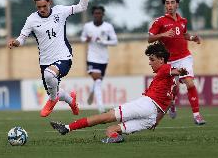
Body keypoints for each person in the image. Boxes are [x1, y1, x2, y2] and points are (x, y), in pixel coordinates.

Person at [50, 42, 188, 143]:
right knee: (111, 131)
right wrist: (156, 121)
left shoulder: (164, 69)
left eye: (152, 60)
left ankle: (67, 128)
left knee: (105, 117)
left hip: (146, 105)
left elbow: (173, 70)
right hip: (151, 118)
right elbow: (169, 102)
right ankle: (116, 139)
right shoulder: (172, 83)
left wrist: (180, 71)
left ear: (162, 60)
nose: (150, 63)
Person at [7, 0, 91, 117]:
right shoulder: (31, 19)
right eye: (38, 7)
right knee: (54, 87)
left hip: (64, 57)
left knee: (50, 76)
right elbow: (22, 38)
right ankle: (71, 101)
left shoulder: (60, 11)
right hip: (45, 61)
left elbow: (82, 6)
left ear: (49, 2)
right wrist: (15, 42)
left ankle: (52, 100)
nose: (41, 9)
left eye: (44, 6)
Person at [148, 0, 205, 125]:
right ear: (165, 6)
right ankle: (172, 103)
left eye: (172, 2)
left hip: (184, 57)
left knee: (190, 83)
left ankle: (197, 116)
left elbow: (183, 34)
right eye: (167, 3)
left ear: (177, 4)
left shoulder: (182, 20)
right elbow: (150, 38)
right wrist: (163, 34)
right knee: (174, 89)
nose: (170, 5)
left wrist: (192, 38)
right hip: (169, 61)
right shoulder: (160, 21)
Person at [80, 5, 118, 113]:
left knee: (98, 82)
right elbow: (82, 38)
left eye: (99, 13)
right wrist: (86, 39)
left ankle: (92, 91)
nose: (97, 15)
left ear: (103, 15)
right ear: (93, 15)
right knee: (97, 80)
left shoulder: (108, 27)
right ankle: (101, 108)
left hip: (103, 59)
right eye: (95, 13)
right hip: (91, 57)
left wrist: (104, 41)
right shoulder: (87, 26)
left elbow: (115, 41)